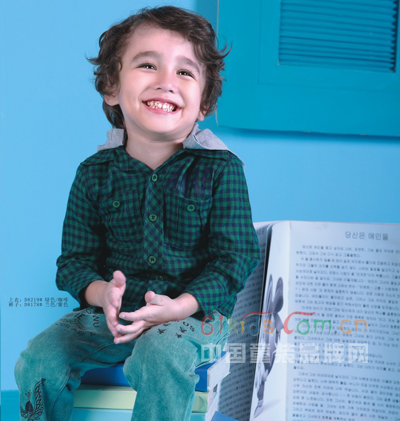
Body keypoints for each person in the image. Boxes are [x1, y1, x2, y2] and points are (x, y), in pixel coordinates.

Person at [15, 6, 260, 421]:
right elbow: (74, 262)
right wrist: (101, 295)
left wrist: (180, 306)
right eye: (148, 65)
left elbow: (235, 258)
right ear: (111, 87)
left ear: (204, 103)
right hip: (113, 316)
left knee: (158, 352)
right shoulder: (94, 173)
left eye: (185, 72)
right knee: (40, 358)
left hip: (194, 317)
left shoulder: (222, 169)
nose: (166, 81)